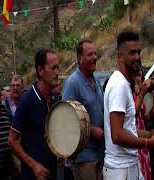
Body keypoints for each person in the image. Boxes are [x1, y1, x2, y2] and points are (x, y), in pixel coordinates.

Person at [103, 30, 154, 180]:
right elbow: (117, 135)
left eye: (138, 52)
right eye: (132, 53)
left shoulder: (123, 83)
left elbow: (128, 128)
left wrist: (149, 134)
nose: (137, 57)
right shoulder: (119, 86)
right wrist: (148, 142)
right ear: (119, 56)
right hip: (120, 169)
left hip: (128, 165)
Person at [8, 48, 60, 180]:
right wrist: (34, 166)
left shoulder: (55, 99)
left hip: (53, 173)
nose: (57, 72)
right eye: (53, 68)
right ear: (40, 71)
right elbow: (12, 140)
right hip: (32, 175)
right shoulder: (27, 100)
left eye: (57, 68)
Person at [62, 39, 105, 180]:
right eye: (89, 54)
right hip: (84, 158)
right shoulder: (72, 83)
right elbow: (66, 118)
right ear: (80, 59)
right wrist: (91, 130)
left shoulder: (96, 80)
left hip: (101, 153)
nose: (94, 57)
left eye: (95, 53)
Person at [132, 68, 152, 180]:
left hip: (142, 137)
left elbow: (144, 116)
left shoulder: (139, 92)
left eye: (140, 76)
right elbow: (134, 113)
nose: (138, 79)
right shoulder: (130, 93)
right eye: (136, 75)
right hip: (135, 138)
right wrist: (141, 94)